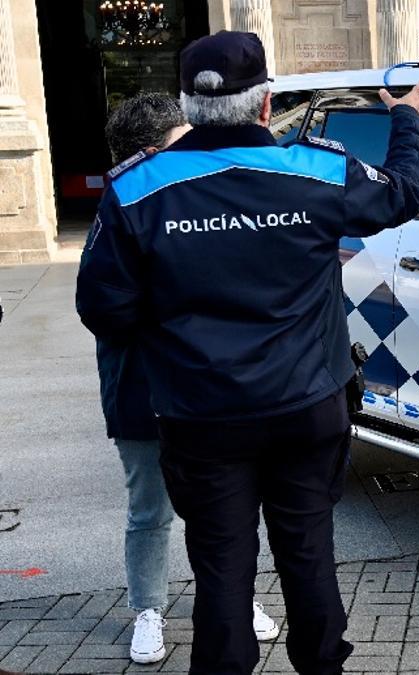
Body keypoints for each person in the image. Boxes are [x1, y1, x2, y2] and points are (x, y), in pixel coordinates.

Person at [76, 31, 419, 675]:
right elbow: (402, 194)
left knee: (222, 569)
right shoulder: (318, 170)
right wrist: (405, 119)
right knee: (307, 555)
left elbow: (104, 309)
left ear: (187, 108)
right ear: (266, 105)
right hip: (305, 406)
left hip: (202, 417)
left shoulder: (135, 190)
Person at [101, 92, 281, 666]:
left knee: (224, 507)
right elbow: (104, 309)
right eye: (185, 139)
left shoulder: (199, 199)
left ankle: (236, 599)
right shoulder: (124, 208)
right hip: (144, 392)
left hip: (207, 393)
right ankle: (148, 609)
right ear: (155, 152)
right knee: (149, 508)